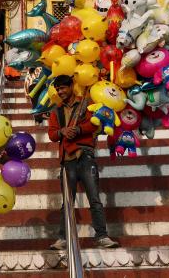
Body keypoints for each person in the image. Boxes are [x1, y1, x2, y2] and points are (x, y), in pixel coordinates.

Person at [48, 75, 119, 250]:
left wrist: (78, 129)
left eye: (63, 88)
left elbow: (94, 125)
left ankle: (101, 236)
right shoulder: (55, 111)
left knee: (94, 199)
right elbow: (51, 134)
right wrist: (63, 132)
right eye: (58, 89)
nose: (60, 92)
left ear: (71, 86)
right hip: (67, 160)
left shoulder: (86, 104)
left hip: (85, 156)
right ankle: (63, 238)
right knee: (67, 202)